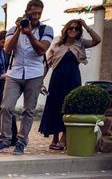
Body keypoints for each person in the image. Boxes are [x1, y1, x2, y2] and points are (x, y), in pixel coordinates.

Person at [0, 0, 53, 155]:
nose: (36, 16)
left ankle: (21, 142)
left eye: (39, 13)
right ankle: (5, 140)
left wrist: (30, 35)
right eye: (33, 13)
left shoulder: (46, 30)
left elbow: (42, 50)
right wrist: (20, 30)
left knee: (29, 110)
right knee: (6, 107)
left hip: (35, 73)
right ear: (27, 11)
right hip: (14, 73)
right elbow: (7, 49)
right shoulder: (14, 29)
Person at [39, 19, 101, 150]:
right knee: (55, 106)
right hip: (57, 79)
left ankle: (64, 138)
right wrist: (40, 81)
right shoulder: (56, 45)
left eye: (76, 29)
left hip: (73, 79)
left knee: (69, 107)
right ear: (66, 30)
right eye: (71, 28)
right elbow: (47, 65)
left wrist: (85, 26)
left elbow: (97, 40)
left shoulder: (81, 44)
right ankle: (55, 138)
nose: (73, 30)